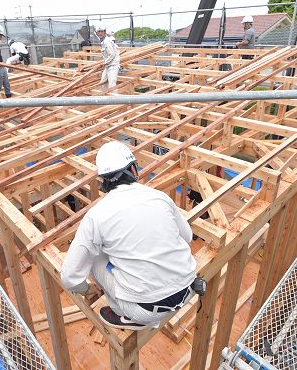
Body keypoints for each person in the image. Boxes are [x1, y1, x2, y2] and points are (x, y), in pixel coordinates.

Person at [61, 141, 198, 330]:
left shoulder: (96, 215)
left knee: (93, 257)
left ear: (103, 180)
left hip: (146, 310)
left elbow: (69, 277)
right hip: (188, 288)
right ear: (134, 169)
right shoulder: (160, 196)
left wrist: (87, 290)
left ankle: (124, 314)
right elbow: (188, 237)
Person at [96, 25, 120, 93]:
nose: (100, 33)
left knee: (112, 85)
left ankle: (115, 101)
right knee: (103, 82)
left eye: (101, 32)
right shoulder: (103, 41)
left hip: (113, 65)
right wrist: (104, 63)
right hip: (108, 65)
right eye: (98, 32)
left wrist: (104, 62)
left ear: (104, 32)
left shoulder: (107, 41)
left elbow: (112, 54)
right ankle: (104, 99)